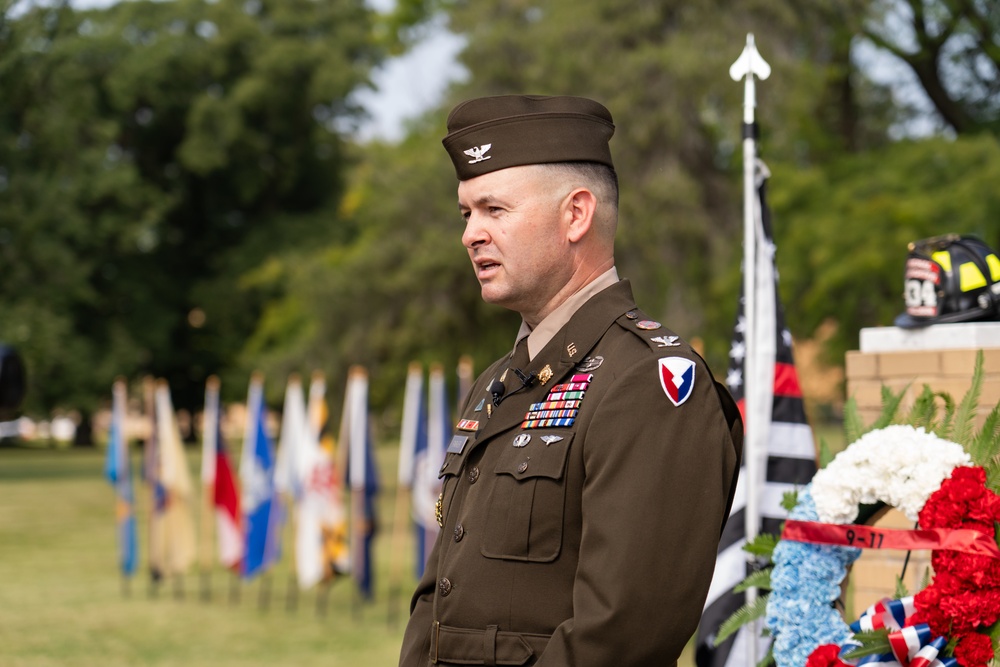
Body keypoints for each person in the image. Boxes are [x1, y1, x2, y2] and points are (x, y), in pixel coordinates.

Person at [399, 94, 743, 667]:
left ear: (576, 215)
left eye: (495, 210)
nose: (471, 234)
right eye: (466, 214)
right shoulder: (498, 382)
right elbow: (438, 600)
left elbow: (622, 631)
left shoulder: (648, 382)